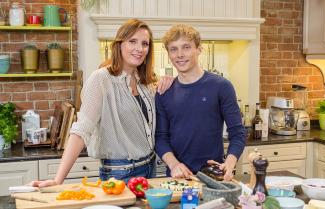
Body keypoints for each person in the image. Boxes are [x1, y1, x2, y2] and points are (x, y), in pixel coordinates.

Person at [31, 19, 173, 187]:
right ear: (119, 44)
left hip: (150, 169)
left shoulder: (145, 82)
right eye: (132, 41)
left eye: (145, 44)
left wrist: (169, 81)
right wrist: (57, 180)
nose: (139, 49)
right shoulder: (101, 79)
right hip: (121, 174)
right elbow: (81, 130)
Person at [155, 24, 246, 181]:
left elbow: (238, 133)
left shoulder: (221, 86)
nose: (180, 54)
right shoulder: (164, 92)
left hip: (213, 176)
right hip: (179, 178)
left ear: (199, 49)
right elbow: (160, 138)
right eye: (173, 49)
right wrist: (174, 164)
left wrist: (229, 164)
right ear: (168, 54)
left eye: (186, 47)